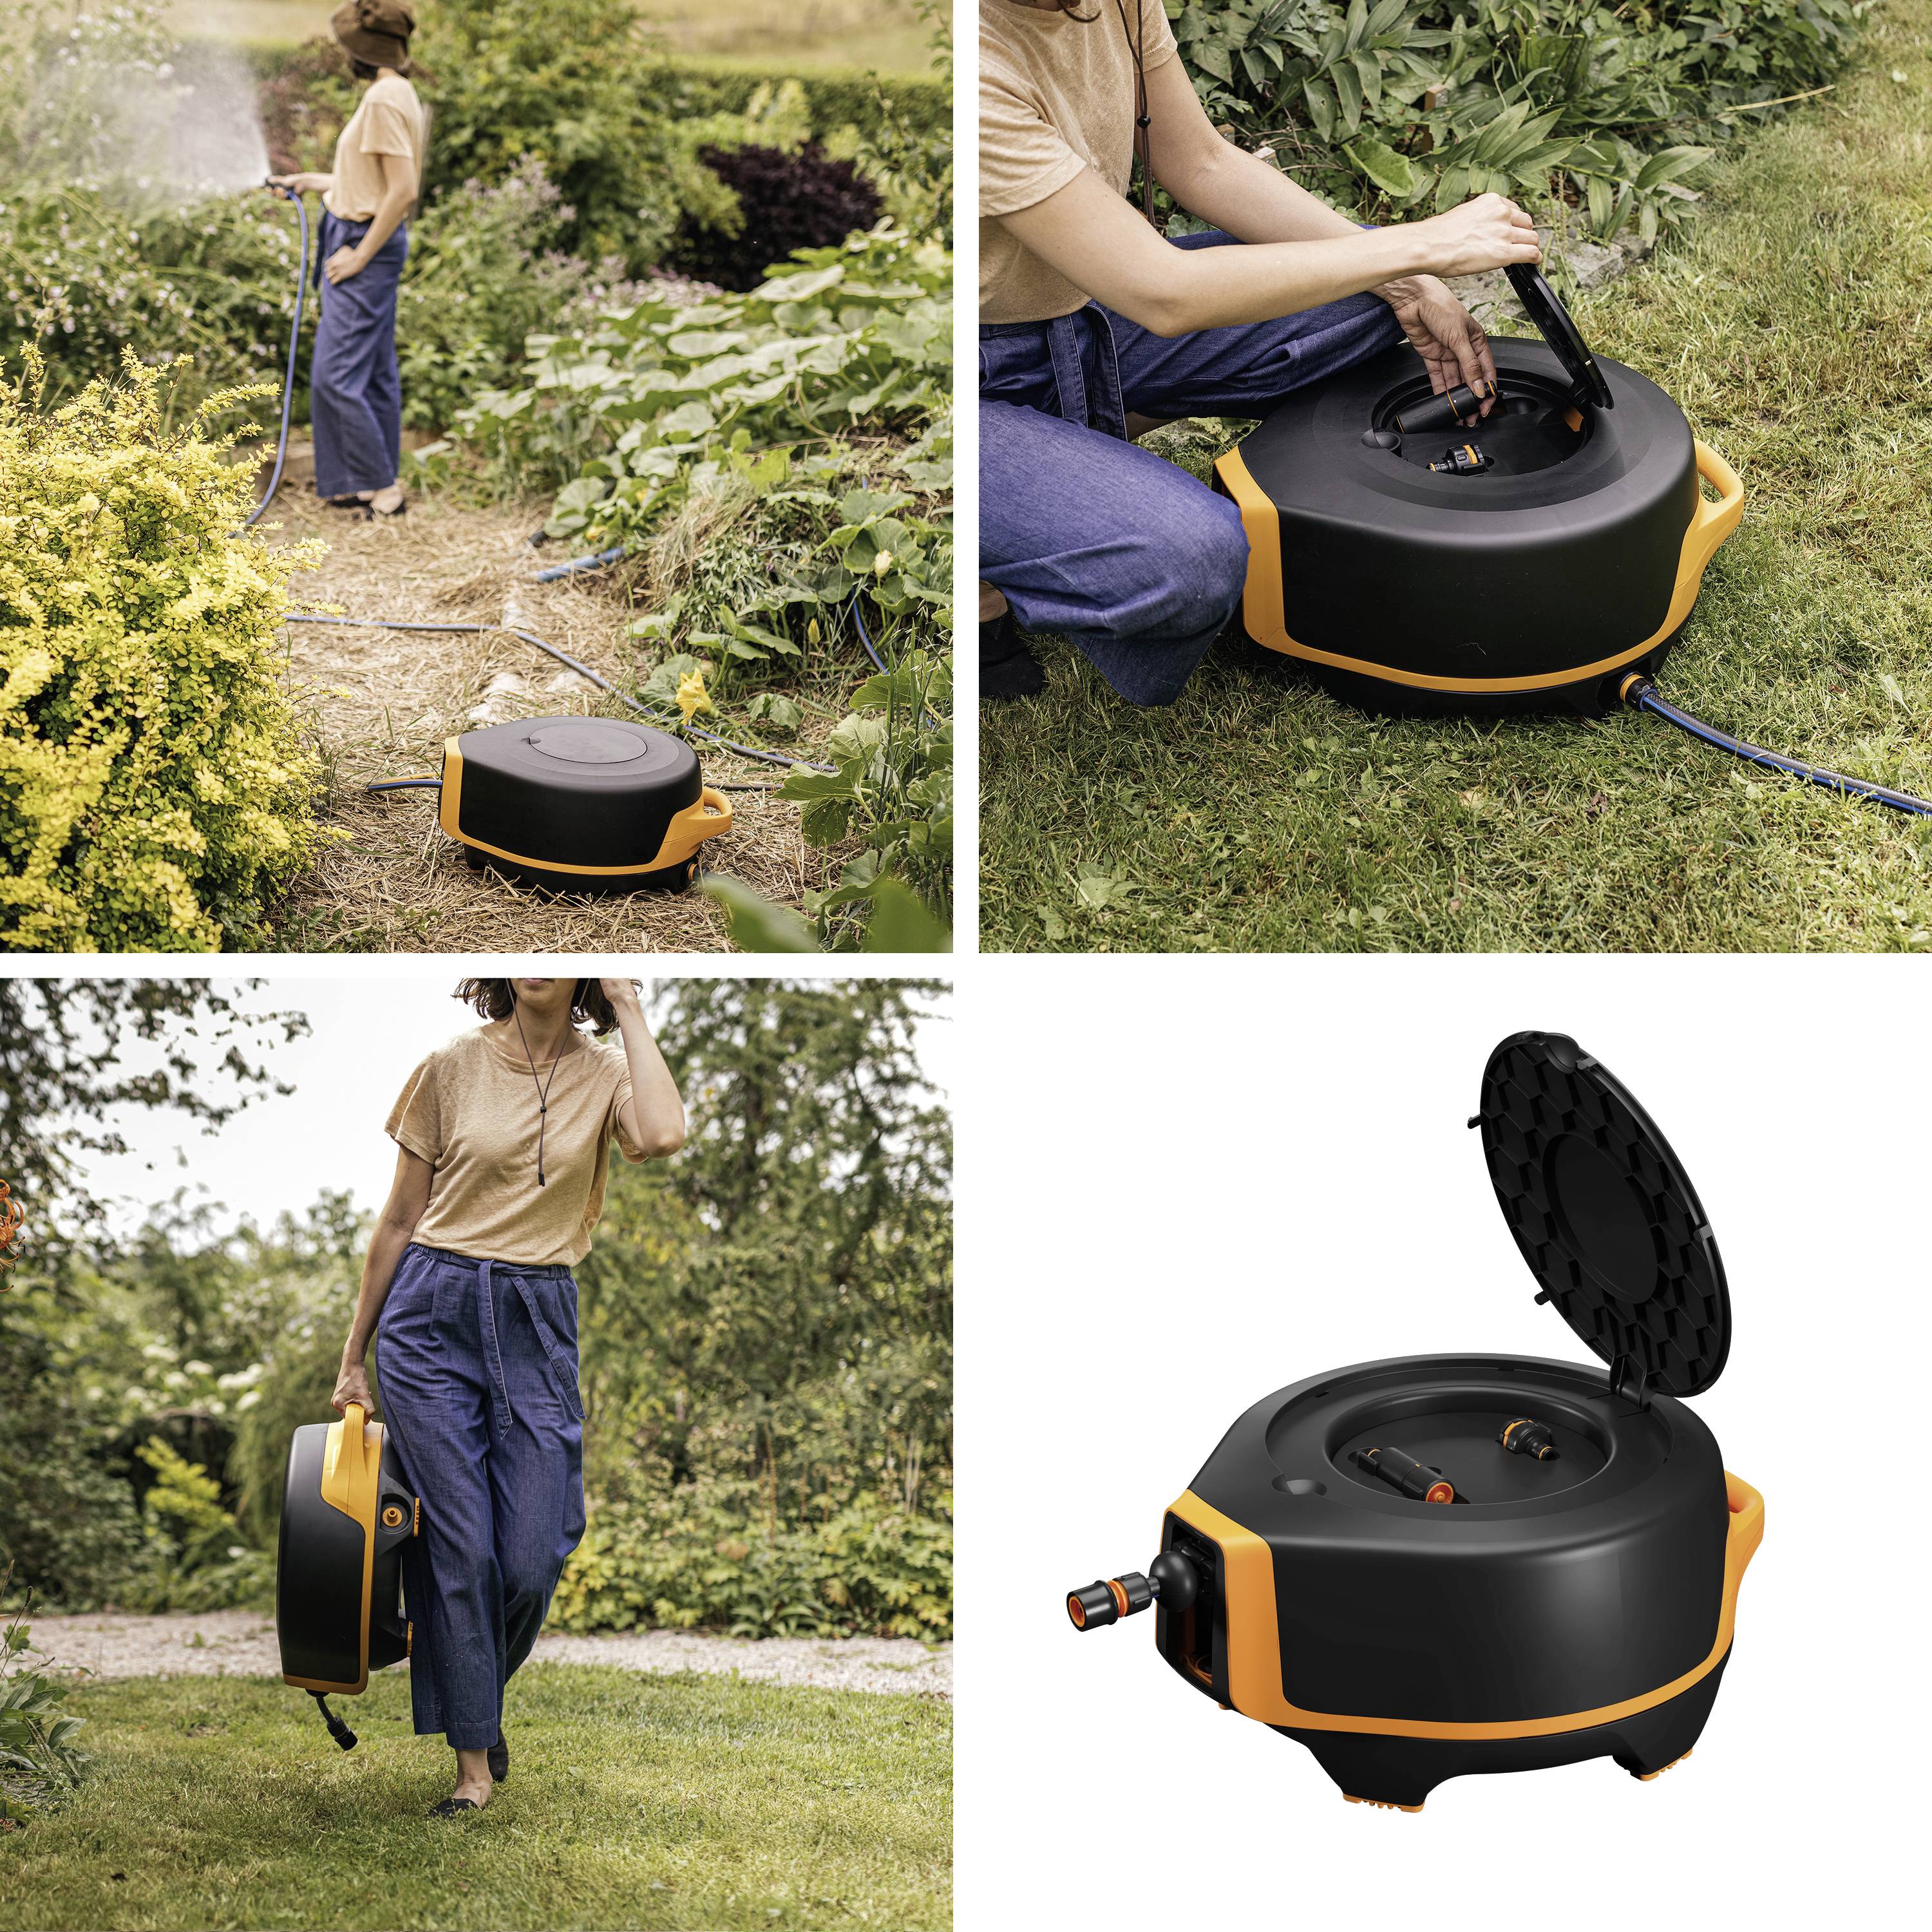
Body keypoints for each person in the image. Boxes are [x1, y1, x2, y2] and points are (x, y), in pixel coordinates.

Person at [980, 0, 1543, 706]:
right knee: (1190, 561)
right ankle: (985, 569)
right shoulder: (970, 63)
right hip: (973, 376)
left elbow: (1202, 161)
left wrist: (1403, 278)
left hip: (1086, 313)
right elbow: (1166, 294)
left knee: (1362, 293)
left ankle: (1071, 445)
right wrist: (1426, 243)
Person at [331, 977, 687, 1817]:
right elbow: (397, 1221)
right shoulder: (450, 1068)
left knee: (534, 1552)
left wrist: (630, 1006)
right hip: (432, 1316)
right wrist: (355, 1356)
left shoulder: (607, 1075)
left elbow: (664, 1135)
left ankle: (472, 1696)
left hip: (538, 1315)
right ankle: (472, 1766)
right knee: (461, 1548)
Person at [267, 1, 426, 518]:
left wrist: (359, 255)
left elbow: (402, 192)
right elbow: (374, 182)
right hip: (359, 230)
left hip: (365, 243)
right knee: (372, 370)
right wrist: (317, 182)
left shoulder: (382, 100)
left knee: (336, 374)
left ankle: (379, 487)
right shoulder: (395, 91)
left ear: (363, 49)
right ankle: (371, 485)